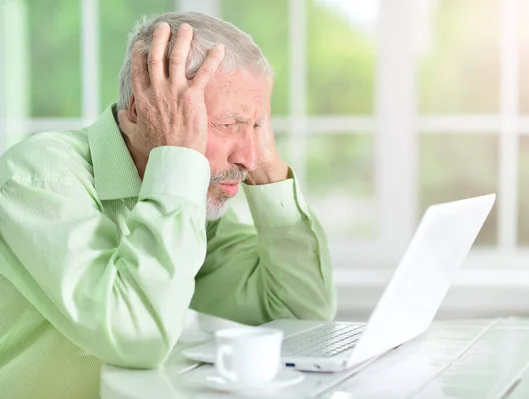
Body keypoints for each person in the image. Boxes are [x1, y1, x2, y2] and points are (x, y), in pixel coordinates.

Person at [0, 12, 335, 398]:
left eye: (258, 125)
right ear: (145, 111)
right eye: (228, 124)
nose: (250, 156)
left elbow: (300, 316)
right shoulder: (41, 176)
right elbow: (135, 338)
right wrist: (176, 158)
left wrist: (267, 169)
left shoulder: (189, 204)